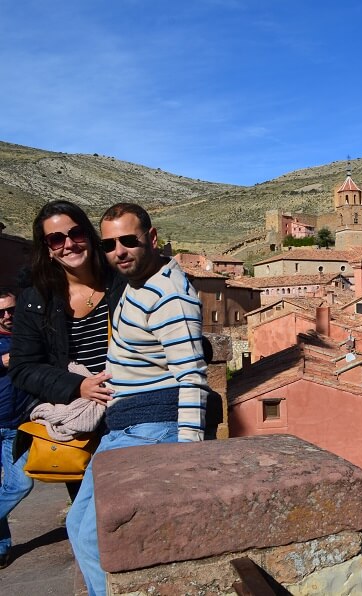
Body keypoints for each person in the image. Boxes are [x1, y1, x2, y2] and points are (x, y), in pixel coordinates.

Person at [66, 203, 209, 596]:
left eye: (129, 240)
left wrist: (188, 457)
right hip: (127, 426)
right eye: (109, 244)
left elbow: (193, 377)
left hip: (150, 429)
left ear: (152, 237)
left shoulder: (168, 296)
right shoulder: (135, 283)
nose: (119, 251)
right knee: (78, 526)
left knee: (96, 538)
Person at [9, 200, 126, 501]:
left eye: (76, 234)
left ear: (88, 234)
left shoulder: (122, 283)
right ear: (47, 248)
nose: (69, 244)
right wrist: (79, 386)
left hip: (129, 411)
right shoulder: (36, 300)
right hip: (80, 424)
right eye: (56, 239)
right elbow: (23, 367)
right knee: (90, 510)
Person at [0, 289, 33, 569]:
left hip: (15, 428)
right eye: (0, 313)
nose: (7, 316)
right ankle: (1, 549)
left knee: (20, 483)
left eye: (11, 310)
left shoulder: (27, 337)